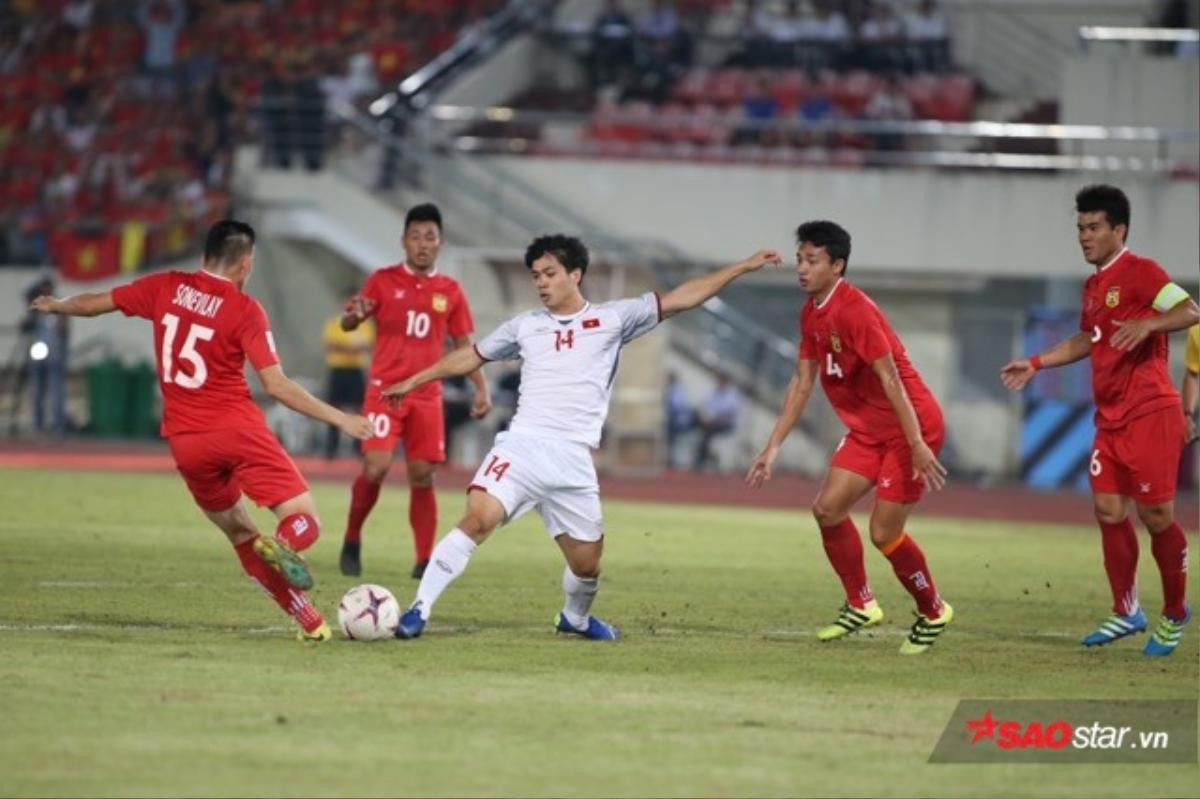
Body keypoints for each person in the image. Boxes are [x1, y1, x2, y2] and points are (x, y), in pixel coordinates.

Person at [382, 235, 782, 641]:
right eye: (536, 275)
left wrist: (741, 267)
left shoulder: (614, 318)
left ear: (575, 275)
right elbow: (473, 354)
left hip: (573, 459)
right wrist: (416, 379)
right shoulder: (525, 326)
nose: (541, 282)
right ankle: (420, 608)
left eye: (550, 273)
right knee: (478, 518)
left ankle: (573, 619)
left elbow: (682, 298)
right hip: (522, 445)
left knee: (587, 566)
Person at [29, 220, 372, 642]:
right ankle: (284, 543)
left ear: (205, 254)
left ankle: (310, 622)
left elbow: (97, 303)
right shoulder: (246, 310)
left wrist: (58, 304)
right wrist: (341, 419)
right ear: (246, 263)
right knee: (304, 520)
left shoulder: (165, 286)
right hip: (235, 428)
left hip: (186, 442)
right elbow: (276, 384)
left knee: (243, 537)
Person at [1001, 184, 1199, 657]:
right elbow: (1090, 339)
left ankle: (1175, 613)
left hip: (1149, 412)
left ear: (1119, 230)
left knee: (1156, 517)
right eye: (1080, 228)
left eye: (1094, 228)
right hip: (1110, 419)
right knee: (1109, 513)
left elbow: (1191, 308)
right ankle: (1127, 610)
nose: (1084, 237)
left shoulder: (1142, 272)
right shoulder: (1094, 287)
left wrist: (1150, 323)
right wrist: (1036, 363)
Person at [746, 220, 952, 655]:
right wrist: (773, 445)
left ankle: (933, 610)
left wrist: (916, 442)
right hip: (867, 429)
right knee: (827, 509)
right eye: (800, 259)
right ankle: (861, 603)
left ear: (837, 265)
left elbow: (892, 379)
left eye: (812, 260)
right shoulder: (811, 312)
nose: (801, 268)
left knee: (884, 532)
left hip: (909, 425)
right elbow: (802, 383)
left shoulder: (855, 310)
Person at [338, 204, 491, 580]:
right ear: (403, 241)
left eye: (430, 237)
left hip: (426, 395)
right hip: (384, 391)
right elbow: (348, 321)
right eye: (416, 236)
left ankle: (424, 559)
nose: (422, 244)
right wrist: (354, 316)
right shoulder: (382, 280)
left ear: (441, 243)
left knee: (423, 475)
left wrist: (481, 388)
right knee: (376, 466)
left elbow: (464, 344)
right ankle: (352, 538)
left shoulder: (450, 290)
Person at [321, 288, 374, 459]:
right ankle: (331, 448)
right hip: (338, 371)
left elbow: (368, 346)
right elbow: (331, 345)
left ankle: (359, 448)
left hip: (356, 371)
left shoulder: (365, 325)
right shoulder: (334, 323)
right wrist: (353, 348)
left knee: (360, 408)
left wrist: (345, 347)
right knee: (333, 407)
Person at [23, 276, 69, 437]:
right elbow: (25, 323)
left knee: (57, 392)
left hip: (54, 355)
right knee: (37, 392)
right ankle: (38, 426)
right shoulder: (36, 309)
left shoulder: (61, 307)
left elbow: (64, 329)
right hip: (37, 354)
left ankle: (58, 427)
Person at [693, 373, 741, 471]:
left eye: (723, 381)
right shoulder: (712, 392)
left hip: (725, 425)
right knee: (696, 423)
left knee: (708, 433)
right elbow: (703, 405)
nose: (720, 383)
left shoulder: (732, 395)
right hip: (710, 423)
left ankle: (702, 460)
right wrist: (703, 417)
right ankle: (703, 457)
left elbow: (729, 414)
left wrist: (713, 421)